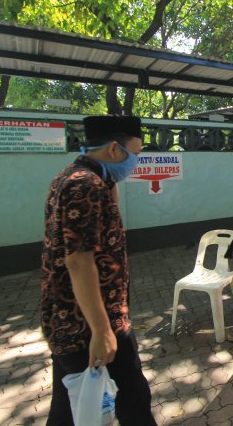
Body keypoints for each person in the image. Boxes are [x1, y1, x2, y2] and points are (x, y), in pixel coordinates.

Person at [41, 116, 157, 425]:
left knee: (69, 406)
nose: (137, 160)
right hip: (87, 325)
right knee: (134, 400)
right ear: (116, 149)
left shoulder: (78, 177)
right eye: (136, 152)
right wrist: (102, 330)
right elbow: (79, 262)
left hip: (71, 321)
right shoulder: (84, 184)